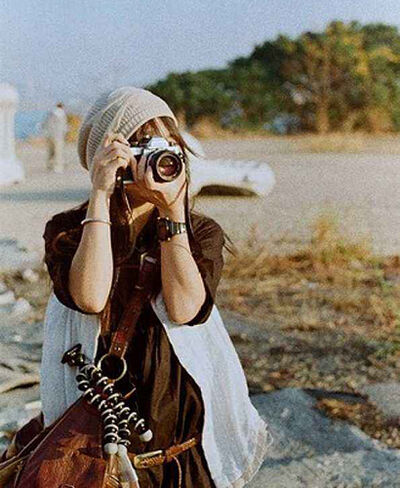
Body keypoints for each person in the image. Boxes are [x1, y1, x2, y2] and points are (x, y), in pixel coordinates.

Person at [37, 86, 272, 487]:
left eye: (167, 145)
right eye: (141, 146)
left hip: (180, 455)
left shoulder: (199, 232)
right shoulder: (69, 231)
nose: (157, 158)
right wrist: (100, 195)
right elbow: (90, 298)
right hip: (96, 454)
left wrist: (172, 210)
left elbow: (184, 309)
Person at [41, 102, 68, 173]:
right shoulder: (62, 114)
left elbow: (45, 124)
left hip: (50, 135)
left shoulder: (50, 113)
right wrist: (65, 134)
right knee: (58, 152)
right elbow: (64, 126)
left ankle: (50, 164)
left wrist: (46, 133)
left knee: (50, 151)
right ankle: (58, 167)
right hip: (58, 135)